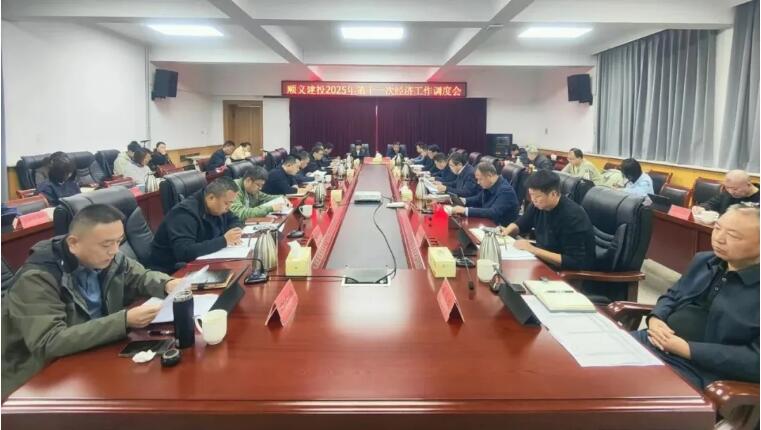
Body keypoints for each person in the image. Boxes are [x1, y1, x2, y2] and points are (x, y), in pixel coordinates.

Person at [1, 204, 182, 397]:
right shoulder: (38, 279)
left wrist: (167, 284)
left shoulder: (108, 258)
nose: (114, 251)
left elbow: (140, 277)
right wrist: (123, 321)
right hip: (38, 378)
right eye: (106, 245)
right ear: (73, 243)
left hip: (91, 351)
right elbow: (49, 342)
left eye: (119, 241)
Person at [630, 205, 759, 390]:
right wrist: (656, 319)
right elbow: (672, 296)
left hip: (702, 371)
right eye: (717, 228)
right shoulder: (704, 260)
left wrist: (687, 349)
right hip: (654, 341)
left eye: (733, 236)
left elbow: (755, 360)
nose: (719, 238)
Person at [499, 170, 595, 270]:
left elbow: (574, 262)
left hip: (567, 272)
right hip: (544, 261)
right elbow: (521, 224)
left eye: (538, 196)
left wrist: (533, 249)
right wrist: (507, 231)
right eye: (531, 194)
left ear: (553, 194)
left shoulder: (573, 216)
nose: (533, 200)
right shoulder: (538, 205)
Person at [150, 178, 243, 273]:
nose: (229, 207)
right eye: (226, 203)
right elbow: (184, 252)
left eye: (231, 203)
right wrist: (224, 240)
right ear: (211, 197)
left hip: (205, 261)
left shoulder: (218, 207)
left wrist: (235, 232)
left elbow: (234, 219)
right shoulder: (184, 214)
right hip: (172, 271)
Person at [449, 161, 519, 226]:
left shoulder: (506, 191)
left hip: (499, 228)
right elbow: (478, 198)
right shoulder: (490, 184)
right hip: (486, 223)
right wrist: (463, 200)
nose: (478, 182)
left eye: (480, 179)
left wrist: (465, 210)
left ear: (489, 175)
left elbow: (493, 212)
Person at [693, 170, 760, 216]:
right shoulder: (727, 193)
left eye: (735, 189)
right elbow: (711, 204)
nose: (731, 192)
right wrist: (702, 208)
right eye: (727, 187)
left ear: (748, 184)